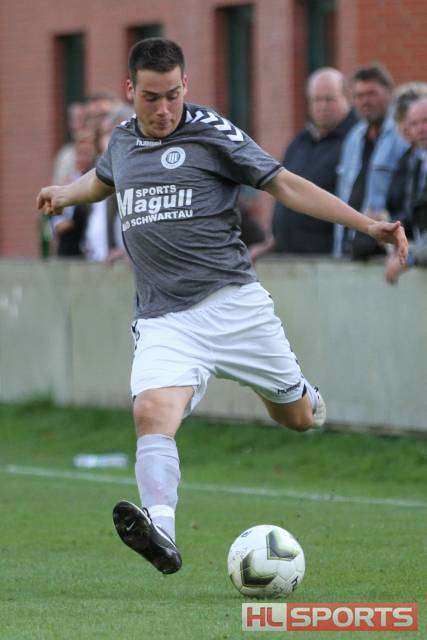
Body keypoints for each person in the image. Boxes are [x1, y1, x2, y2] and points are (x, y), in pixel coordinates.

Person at [37, 38, 408, 575]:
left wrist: (366, 224)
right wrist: (65, 193)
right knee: (151, 413)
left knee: (297, 418)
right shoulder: (121, 141)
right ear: (130, 91)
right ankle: (161, 529)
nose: (163, 110)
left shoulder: (211, 133)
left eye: (172, 95)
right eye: (150, 98)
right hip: (164, 317)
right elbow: (102, 179)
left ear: (185, 85)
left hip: (233, 305)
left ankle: (304, 395)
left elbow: (285, 184)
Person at [273, 68, 357, 254]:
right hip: (288, 254)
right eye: (316, 100)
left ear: (347, 98)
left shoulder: (355, 141)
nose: (322, 106)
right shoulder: (300, 141)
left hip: (328, 256)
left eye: (329, 99)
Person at [334, 63, 409, 260]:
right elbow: (343, 192)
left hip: (384, 250)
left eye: (372, 94)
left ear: (389, 94)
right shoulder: (353, 137)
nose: (365, 101)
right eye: (359, 96)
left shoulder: (402, 135)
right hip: (350, 246)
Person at [385, 96, 427, 283]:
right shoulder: (414, 162)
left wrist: (409, 257)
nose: (421, 128)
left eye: (426, 121)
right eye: (414, 123)